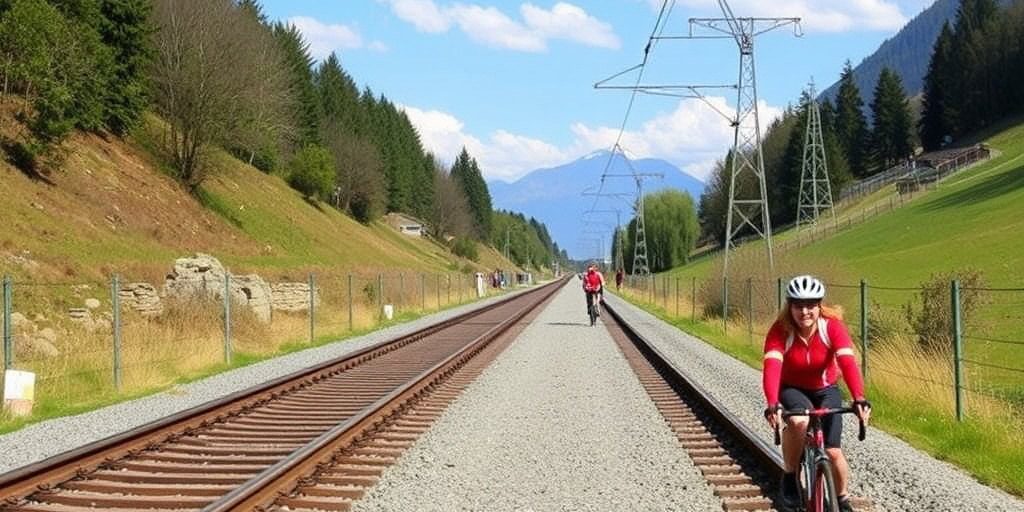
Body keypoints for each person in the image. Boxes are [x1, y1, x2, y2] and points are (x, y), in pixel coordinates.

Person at [762, 275, 872, 512]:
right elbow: (772, 368)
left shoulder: (831, 326)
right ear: (789, 307)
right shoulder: (780, 330)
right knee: (799, 422)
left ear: (819, 306)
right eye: (798, 306)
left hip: (826, 389)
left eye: (810, 305)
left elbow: (847, 363)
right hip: (792, 389)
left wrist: (859, 397)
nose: (805, 312)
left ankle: (841, 498)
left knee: (833, 452)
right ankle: (790, 476)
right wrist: (773, 403)